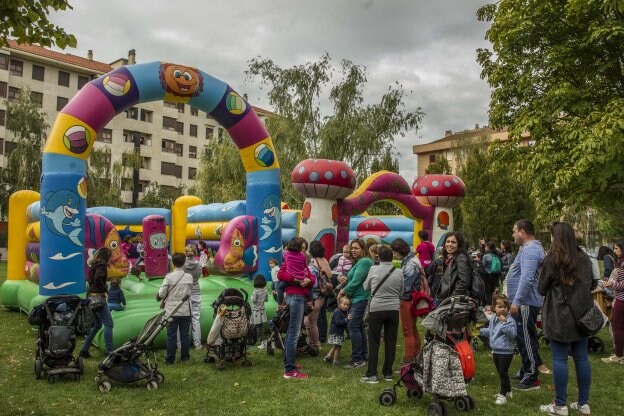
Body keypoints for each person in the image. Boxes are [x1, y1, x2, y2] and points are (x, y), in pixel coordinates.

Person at [538, 222, 593, 415]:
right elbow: (592, 283)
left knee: (559, 359)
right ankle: (583, 403)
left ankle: (560, 405)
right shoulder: (585, 259)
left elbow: (541, 288)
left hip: (559, 317)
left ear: (557, 238)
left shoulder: (552, 260)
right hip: (582, 315)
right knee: (581, 358)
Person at [507, 219, 547, 391]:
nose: (513, 234)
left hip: (526, 301)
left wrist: (517, 300)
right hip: (524, 301)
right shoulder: (526, 249)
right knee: (523, 337)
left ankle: (531, 376)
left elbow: (527, 278)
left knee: (526, 339)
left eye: (515, 231)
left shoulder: (531, 250)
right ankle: (525, 369)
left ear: (522, 232)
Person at [360, 244, 404, 384]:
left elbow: (366, 287)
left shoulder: (373, 269)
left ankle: (372, 374)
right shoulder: (399, 272)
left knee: (374, 341)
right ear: (392, 256)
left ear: (378, 256)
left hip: (377, 308)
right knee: (391, 342)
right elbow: (402, 292)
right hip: (393, 309)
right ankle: (388, 373)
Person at [278, 245, 316, 379]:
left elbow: (312, 278)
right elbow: (281, 275)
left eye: (305, 249)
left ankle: (289, 362)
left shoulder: (303, 263)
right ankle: (289, 370)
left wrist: (308, 280)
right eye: (301, 249)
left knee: (292, 331)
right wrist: (296, 280)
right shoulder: (289, 261)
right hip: (295, 297)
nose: (303, 252)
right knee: (294, 333)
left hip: (299, 297)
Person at [338, 238, 373, 369]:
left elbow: (357, 281)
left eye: (356, 248)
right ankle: (363, 356)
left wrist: (343, 291)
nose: (353, 250)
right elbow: (353, 279)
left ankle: (357, 359)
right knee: (358, 328)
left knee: (352, 327)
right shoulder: (359, 262)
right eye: (352, 248)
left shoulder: (364, 262)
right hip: (357, 298)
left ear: (363, 249)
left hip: (360, 299)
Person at [390, 238, 423, 363]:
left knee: (407, 331)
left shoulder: (410, 264)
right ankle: (417, 355)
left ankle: (409, 359)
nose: (393, 254)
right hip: (413, 300)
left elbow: (406, 287)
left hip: (407, 300)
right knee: (413, 329)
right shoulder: (413, 260)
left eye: (394, 252)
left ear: (399, 251)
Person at [480, 294, 517, 405]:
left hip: (506, 352)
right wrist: (479, 331)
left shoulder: (510, 321)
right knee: (501, 373)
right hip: (496, 351)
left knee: (503, 373)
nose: (502, 309)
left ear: (508, 308)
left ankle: (502, 394)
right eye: (499, 307)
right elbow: (491, 332)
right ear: (494, 308)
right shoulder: (493, 319)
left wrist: (504, 323)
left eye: (505, 307)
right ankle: (508, 391)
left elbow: (513, 335)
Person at [157, 253, 193, 365]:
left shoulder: (169, 277)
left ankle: (170, 359)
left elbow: (162, 294)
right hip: (185, 309)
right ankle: (185, 357)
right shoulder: (189, 277)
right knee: (185, 335)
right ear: (184, 263)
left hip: (171, 310)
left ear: (173, 263)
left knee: (171, 336)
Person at [80, 247, 114, 357]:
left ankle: (84, 350)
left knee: (97, 325)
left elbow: (91, 281)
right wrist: (104, 288)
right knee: (109, 324)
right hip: (98, 297)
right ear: (106, 256)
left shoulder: (94, 264)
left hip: (91, 296)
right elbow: (97, 279)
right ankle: (109, 351)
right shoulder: (102, 265)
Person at [602, 239, 624, 365]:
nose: (614, 251)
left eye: (616, 249)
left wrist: (611, 283)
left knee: (617, 327)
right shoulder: (620, 262)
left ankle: (619, 355)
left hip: (621, 299)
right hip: (620, 297)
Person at [308, 240, 333, 346]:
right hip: (325, 291)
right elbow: (330, 275)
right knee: (322, 315)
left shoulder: (315, 261)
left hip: (317, 292)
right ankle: (322, 336)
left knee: (314, 320)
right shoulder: (324, 260)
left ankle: (316, 340)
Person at [436, 232, 472, 302]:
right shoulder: (450, 258)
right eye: (448, 241)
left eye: (453, 242)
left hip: (456, 301)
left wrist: (450, 299)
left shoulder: (461, 258)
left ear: (459, 245)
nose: (449, 244)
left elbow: (464, 282)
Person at [277, 237, 310, 304]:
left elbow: (311, 277)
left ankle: (279, 304)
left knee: (280, 287)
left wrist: (309, 280)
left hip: (297, 287)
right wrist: (295, 279)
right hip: (299, 281)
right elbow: (280, 275)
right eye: (301, 247)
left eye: (304, 248)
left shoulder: (287, 255)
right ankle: (310, 301)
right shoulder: (303, 257)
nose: (302, 250)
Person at [184, 245, 203, 350]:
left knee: (184, 319)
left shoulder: (182, 265)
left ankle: (182, 344)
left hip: (185, 293)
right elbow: (197, 277)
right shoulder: (199, 265)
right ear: (195, 253)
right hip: (196, 291)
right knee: (195, 319)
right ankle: (197, 344)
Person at [323, 296, 351, 366]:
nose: (346, 306)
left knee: (335, 346)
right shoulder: (338, 312)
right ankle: (335, 361)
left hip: (338, 332)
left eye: (347, 305)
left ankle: (328, 357)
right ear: (340, 304)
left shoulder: (342, 312)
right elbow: (338, 322)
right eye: (344, 304)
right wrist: (346, 319)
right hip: (336, 333)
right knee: (338, 347)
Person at [482, 241, 503, 305]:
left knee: (488, 293)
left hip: (488, 276)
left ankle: (489, 306)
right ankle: (495, 306)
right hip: (496, 276)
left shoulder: (486, 256)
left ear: (488, 247)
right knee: (495, 292)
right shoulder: (497, 255)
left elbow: (483, 265)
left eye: (485, 246)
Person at [250, 274, 269, 344]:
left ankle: (257, 338)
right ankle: (262, 337)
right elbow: (266, 300)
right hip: (262, 310)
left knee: (256, 325)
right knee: (261, 325)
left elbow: (253, 300)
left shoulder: (255, 291)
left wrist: (251, 297)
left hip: (255, 310)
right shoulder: (265, 290)